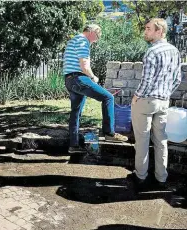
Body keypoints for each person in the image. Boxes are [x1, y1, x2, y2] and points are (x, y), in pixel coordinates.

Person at [131, 18, 181, 188]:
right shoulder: (175, 51)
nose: (145, 31)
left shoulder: (152, 52)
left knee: (142, 140)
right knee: (161, 140)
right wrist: (166, 94)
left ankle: (141, 176)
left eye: (149, 28)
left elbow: (146, 80)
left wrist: (137, 96)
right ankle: (161, 178)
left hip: (146, 101)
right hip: (163, 102)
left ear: (159, 31)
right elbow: (177, 79)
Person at [63, 24, 128, 154]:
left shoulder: (73, 40)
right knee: (108, 97)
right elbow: (84, 65)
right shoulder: (83, 41)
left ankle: (73, 145)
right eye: (97, 36)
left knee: (75, 112)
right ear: (92, 32)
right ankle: (109, 132)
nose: (96, 40)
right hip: (79, 78)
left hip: (69, 80)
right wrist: (93, 77)